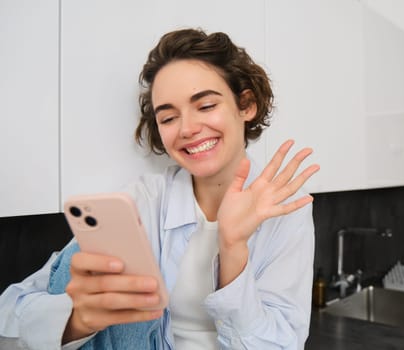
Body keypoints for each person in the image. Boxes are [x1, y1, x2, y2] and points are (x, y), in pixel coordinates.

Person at [0, 28, 319, 349]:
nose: (188, 129)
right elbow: (9, 314)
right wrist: (76, 321)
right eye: (168, 118)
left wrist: (233, 248)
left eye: (206, 106)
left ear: (246, 105)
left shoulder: (286, 210)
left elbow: (280, 344)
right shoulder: (141, 200)